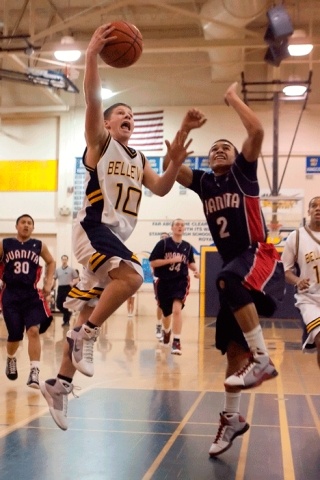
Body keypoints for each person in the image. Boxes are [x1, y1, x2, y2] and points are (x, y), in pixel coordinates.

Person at [40, 23, 194, 431]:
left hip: (111, 237)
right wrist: (91, 56)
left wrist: (175, 159)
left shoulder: (139, 156)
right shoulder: (99, 143)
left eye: (131, 115)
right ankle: (85, 336)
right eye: (120, 114)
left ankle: (60, 382)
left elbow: (161, 189)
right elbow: (92, 98)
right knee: (131, 276)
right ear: (106, 124)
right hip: (92, 228)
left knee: (88, 308)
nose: (127, 116)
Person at [164, 82, 285, 455]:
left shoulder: (243, 173)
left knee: (225, 277)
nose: (219, 151)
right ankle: (232, 419)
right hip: (236, 268)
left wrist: (233, 99)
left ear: (235, 157)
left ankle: (263, 360)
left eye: (225, 148)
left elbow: (258, 131)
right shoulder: (203, 182)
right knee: (234, 357)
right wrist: (183, 131)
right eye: (213, 148)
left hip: (259, 255)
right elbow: (172, 169)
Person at [0, 214, 55, 389]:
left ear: (33, 228)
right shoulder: (5, 244)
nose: (26, 225)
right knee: (15, 335)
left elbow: (51, 262)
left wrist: (48, 281)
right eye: (23, 222)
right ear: (16, 226)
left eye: (29, 223)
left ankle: (34, 372)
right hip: (10, 294)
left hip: (31, 295)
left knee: (33, 330)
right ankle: (10, 358)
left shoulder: (38, 245)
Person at [149, 219, 200, 355]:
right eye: (177, 224)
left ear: (184, 229)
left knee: (177, 310)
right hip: (164, 281)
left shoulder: (187, 247)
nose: (180, 227)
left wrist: (196, 270)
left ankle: (176, 341)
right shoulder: (163, 244)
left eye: (182, 225)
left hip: (180, 281)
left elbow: (190, 262)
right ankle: (166, 331)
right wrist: (170, 260)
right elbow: (153, 262)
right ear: (172, 228)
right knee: (167, 314)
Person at [282, 196, 320, 368]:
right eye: (314, 205)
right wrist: (297, 281)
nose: (318, 209)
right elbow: (285, 271)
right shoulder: (296, 237)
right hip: (310, 298)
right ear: (309, 211)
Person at [153, 232, 170, 340]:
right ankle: (159, 325)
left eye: (165, 237)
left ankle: (166, 329)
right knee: (160, 304)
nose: (163, 239)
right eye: (162, 237)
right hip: (159, 279)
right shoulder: (157, 251)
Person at [53, 255, 79, 327]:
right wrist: (52, 286)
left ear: (67, 260)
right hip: (60, 287)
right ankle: (68, 314)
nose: (64, 261)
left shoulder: (71, 270)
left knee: (65, 304)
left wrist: (73, 284)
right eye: (63, 259)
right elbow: (54, 278)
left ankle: (66, 321)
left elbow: (77, 278)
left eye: (65, 259)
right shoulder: (58, 270)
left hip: (67, 288)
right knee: (58, 304)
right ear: (61, 260)